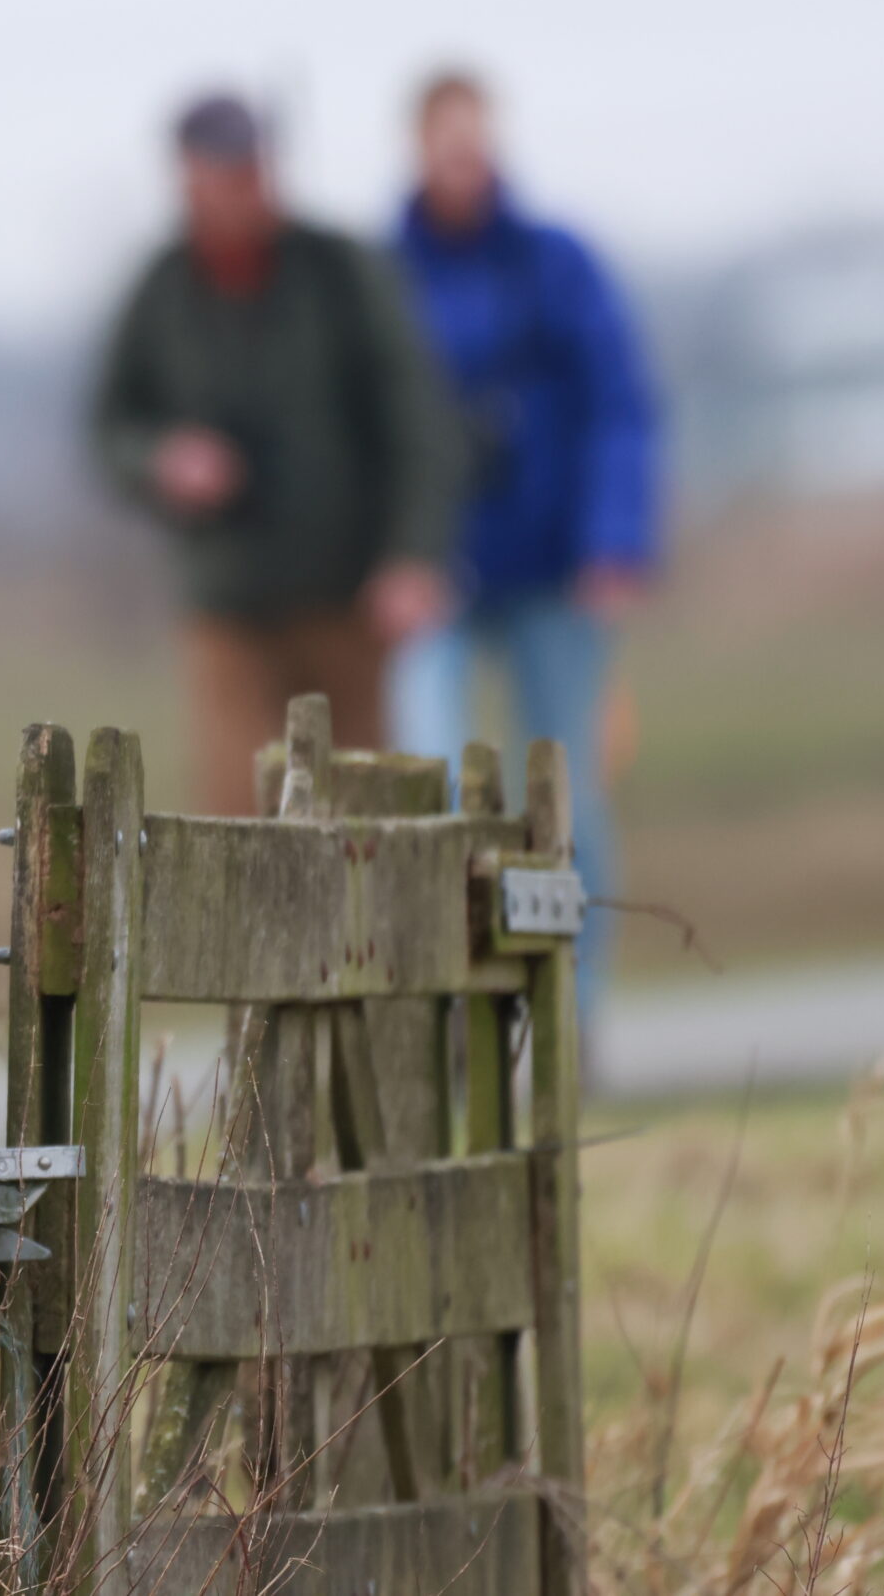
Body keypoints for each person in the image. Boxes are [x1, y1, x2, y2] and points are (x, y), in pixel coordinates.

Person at [92, 92, 467, 814]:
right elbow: (108, 425)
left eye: (254, 170)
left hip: (350, 604)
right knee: (241, 822)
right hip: (228, 605)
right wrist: (164, 460)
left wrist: (414, 554)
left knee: (362, 819)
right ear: (188, 179)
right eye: (226, 174)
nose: (245, 191)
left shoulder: (339, 272)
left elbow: (419, 416)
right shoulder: (163, 288)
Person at [388, 68, 662, 1044]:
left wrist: (614, 541)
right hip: (439, 574)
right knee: (430, 778)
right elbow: (371, 423)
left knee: (568, 786)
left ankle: (570, 1022)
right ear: (418, 149)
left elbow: (618, 407)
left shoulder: (557, 264)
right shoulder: (386, 273)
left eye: (476, 141)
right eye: (445, 144)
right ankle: (452, 1011)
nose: (463, 162)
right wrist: (393, 554)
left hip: (554, 565)